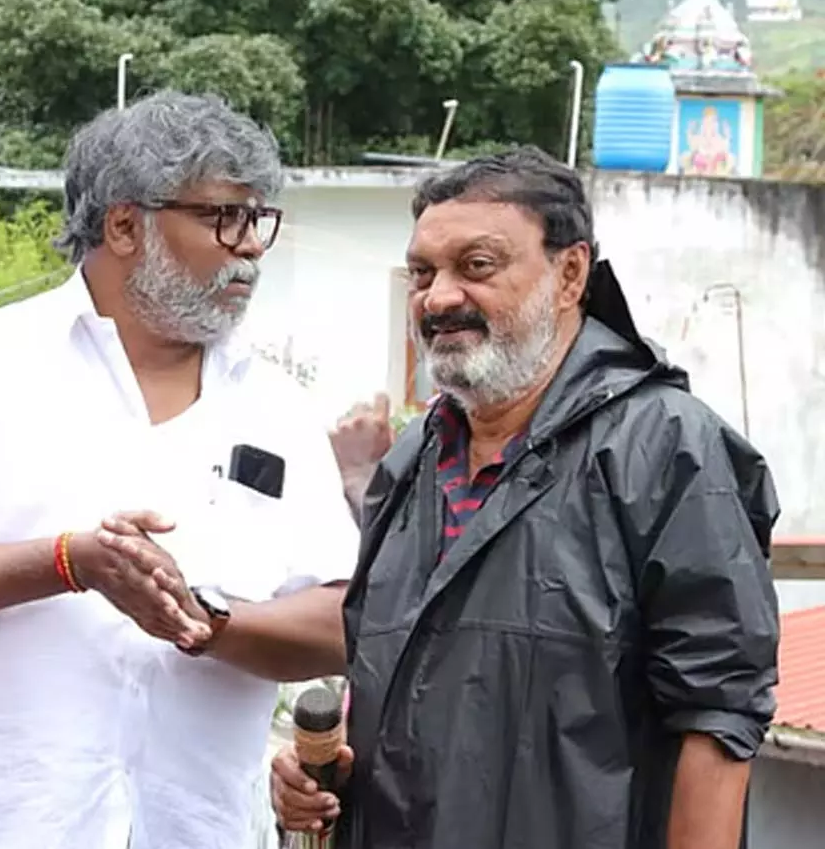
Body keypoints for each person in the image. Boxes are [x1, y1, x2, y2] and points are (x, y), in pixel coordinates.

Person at [0, 90, 359, 849]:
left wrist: (206, 623)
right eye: (223, 217)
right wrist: (68, 563)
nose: (249, 246)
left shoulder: (276, 407)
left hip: (195, 830)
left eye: (257, 219)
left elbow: (343, 620)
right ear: (124, 225)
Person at [270, 147, 780, 849]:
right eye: (422, 273)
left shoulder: (666, 447)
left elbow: (717, 715)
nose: (438, 298)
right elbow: (397, 695)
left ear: (570, 274)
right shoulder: (412, 461)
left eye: (476, 266)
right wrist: (325, 784)